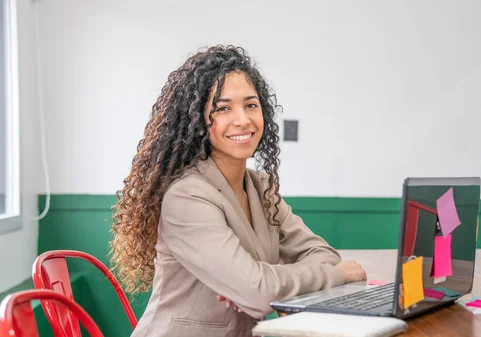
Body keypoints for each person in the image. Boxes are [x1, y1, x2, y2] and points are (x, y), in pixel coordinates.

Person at [109, 45, 367, 337]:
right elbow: (260, 291)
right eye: (223, 108)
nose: (243, 119)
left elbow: (322, 253)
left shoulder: (261, 188)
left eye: (251, 105)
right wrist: (334, 276)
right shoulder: (187, 197)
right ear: (196, 121)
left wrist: (260, 284)